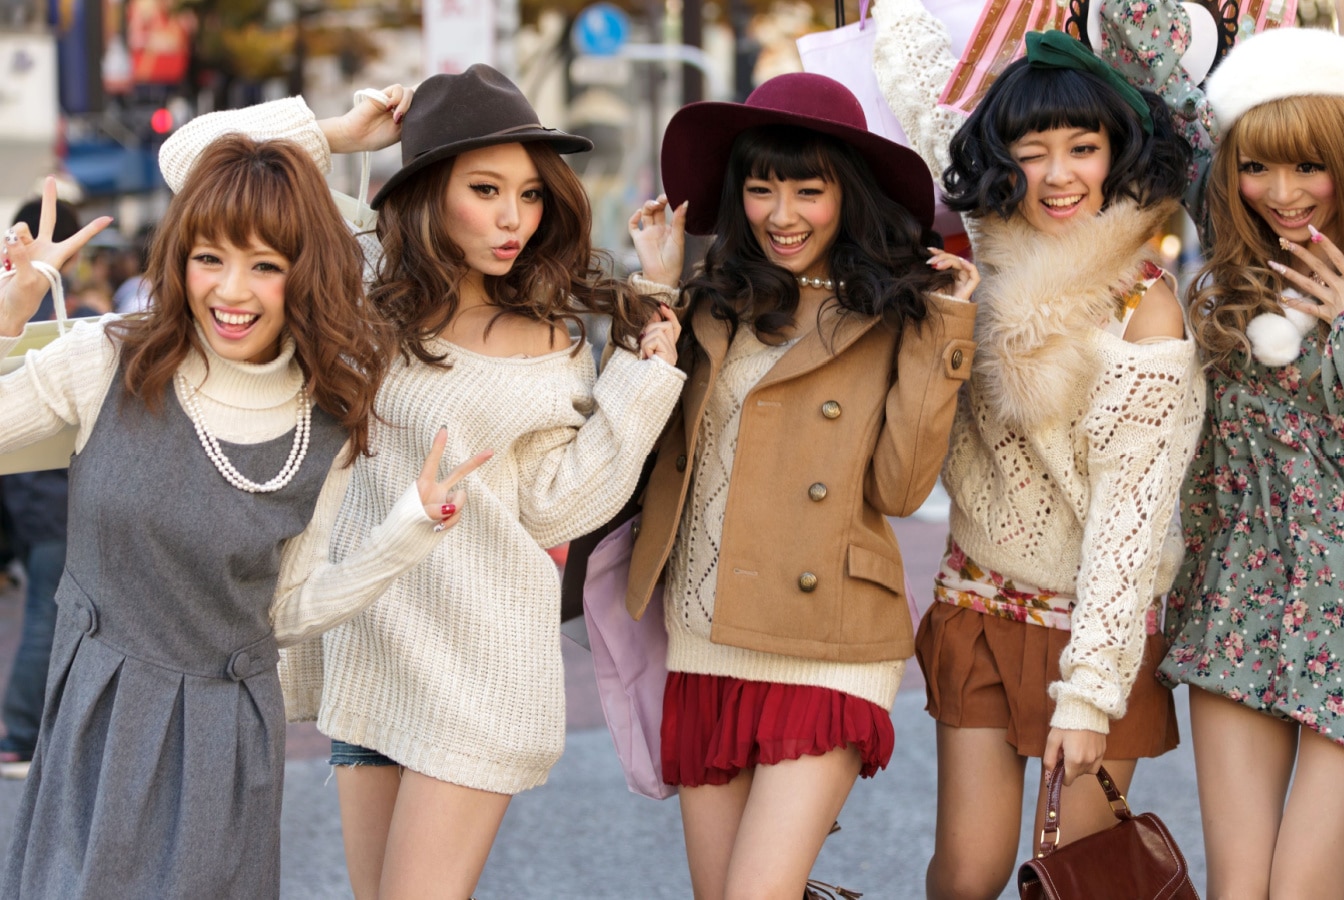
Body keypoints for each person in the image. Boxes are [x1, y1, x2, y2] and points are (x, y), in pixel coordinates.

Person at [158, 65, 685, 900]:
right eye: (485, 188)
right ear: (430, 190)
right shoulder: (355, 276)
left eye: (531, 194)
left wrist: (644, 382)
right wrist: (338, 131)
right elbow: (195, 162)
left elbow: (558, 503)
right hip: (369, 654)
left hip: (483, 664)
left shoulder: (550, 338)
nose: (514, 217)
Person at [0, 143, 485, 898]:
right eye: (209, 258)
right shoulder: (107, 360)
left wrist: (408, 530)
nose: (232, 290)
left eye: (265, 264)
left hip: (221, 734)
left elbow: (284, 612)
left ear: (306, 273)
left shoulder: (326, 422)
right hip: (100, 713)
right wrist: (9, 312)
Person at [872, 5, 1201, 896]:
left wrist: (1091, 695)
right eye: (1032, 149)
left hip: (1098, 626)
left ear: (1118, 153)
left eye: (1082, 147)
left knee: (1078, 880)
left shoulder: (1146, 304)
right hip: (980, 603)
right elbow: (917, 85)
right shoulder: (988, 243)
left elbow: (1132, 512)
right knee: (968, 872)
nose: (1058, 174)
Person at [622, 71, 978, 896]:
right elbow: (636, 442)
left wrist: (946, 339)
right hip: (704, 631)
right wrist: (655, 285)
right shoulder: (709, 302)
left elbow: (898, 487)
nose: (782, 216)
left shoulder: (900, 312)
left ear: (845, 194)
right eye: (760, 189)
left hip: (828, 640)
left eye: (808, 190)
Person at [1122, 5, 1344, 896]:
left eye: (1310, 165)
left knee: (1302, 888)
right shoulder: (1229, 267)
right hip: (1238, 603)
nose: (1284, 190)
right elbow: (1149, 57)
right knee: (1238, 886)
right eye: (1257, 166)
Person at [0, 197, 90, 781]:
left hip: (28, 493)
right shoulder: (68, 322)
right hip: (52, 496)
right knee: (45, 612)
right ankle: (22, 732)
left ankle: (29, 730)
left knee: (48, 607)